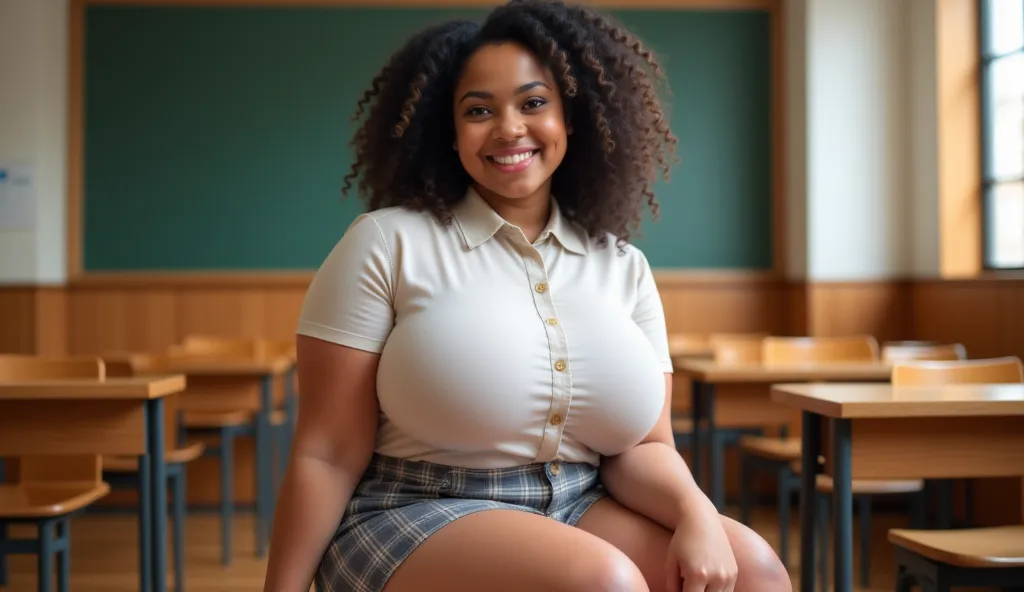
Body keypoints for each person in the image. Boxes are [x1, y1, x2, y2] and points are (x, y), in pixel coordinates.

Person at [263, 1, 791, 591]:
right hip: (412, 511)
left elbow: (644, 446)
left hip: (580, 501)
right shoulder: (385, 244)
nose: (509, 127)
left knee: (757, 572)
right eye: (478, 110)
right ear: (451, 133)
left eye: (533, 102)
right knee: (604, 582)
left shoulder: (624, 267)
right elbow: (327, 453)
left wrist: (698, 515)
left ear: (572, 118)